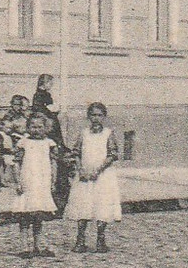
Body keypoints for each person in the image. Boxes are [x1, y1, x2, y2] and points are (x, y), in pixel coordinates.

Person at [68, 102, 122, 252]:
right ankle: (80, 240)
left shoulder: (108, 133)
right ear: (88, 116)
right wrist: (81, 170)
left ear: (104, 117)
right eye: (93, 115)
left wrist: (98, 171)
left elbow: (112, 154)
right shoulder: (83, 133)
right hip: (85, 175)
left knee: (101, 206)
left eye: (99, 115)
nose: (96, 118)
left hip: (102, 176)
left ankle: (100, 239)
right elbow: (76, 152)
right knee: (83, 206)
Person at [13, 111, 60, 257]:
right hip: (28, 181)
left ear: (46, 128)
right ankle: (24, 245)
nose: (36, 130)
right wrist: (18, 181)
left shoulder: (49, 144)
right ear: (28, 127)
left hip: (42, 182)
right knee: (25, 214)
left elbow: (53, 163)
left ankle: (38, 244)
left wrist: (53, 181)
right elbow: (16, 163)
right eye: (33, 126)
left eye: (40, 127)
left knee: (39, 215)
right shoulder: (24, 143)